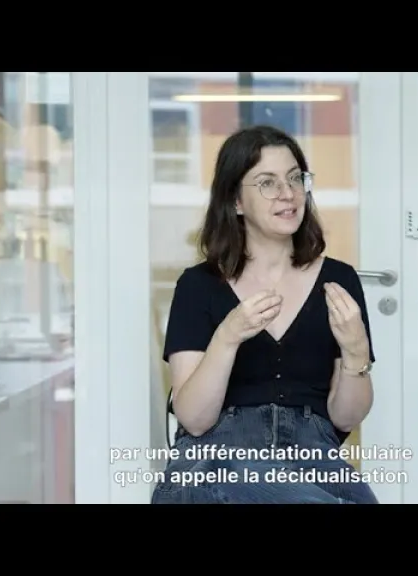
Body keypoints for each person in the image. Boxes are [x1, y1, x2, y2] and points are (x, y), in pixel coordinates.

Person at [151, 125, 378, 504]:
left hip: (313, 457)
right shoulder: (198, 285)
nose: (288, 193)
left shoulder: (339, 280)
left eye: (295, 178)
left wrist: (356, 350)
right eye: (267, 183)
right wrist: (227, 337)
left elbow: (346, 418)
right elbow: (194, 419)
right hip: (216, 457)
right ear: (235, 201)